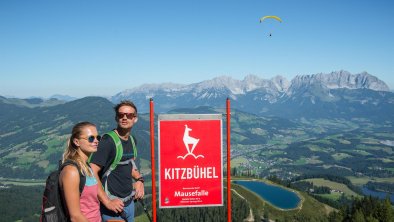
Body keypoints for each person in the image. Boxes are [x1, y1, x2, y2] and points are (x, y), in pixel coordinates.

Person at [90, 100, 145, 222]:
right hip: (111, 206)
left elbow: (128, 164)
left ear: (135, 118)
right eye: (121, 115)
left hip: (129, 203)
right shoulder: (107, 142)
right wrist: (107, 202)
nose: (125, 118)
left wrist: (140, 180)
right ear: (116, 118)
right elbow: (91, 172)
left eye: (129, 115)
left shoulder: (132, 140)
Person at [59, 121, 102, 222]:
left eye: (98, 137)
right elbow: (75, 216)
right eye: (91, 138)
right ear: (76, 142)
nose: (96, 141)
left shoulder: (87, 167)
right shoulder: (71, 171)